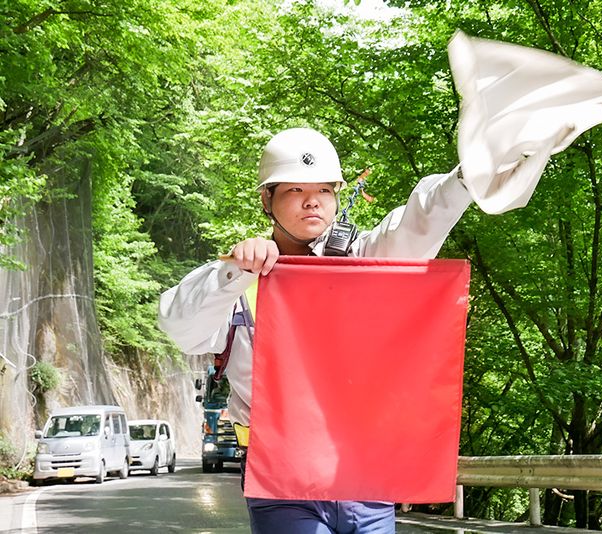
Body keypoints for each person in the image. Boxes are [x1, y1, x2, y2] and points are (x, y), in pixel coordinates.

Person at [158, 127, 474, 533]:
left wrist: (467, 178)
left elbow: (416, 225)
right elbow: (179, 325)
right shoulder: (236, 281)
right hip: (282, 482)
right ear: (266, 199)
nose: (312, 200)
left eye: (324, 189)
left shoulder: (361, 261)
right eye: (293, 189)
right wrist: (236, 269)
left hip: (363, 473)